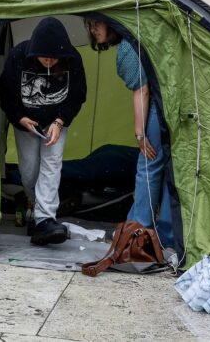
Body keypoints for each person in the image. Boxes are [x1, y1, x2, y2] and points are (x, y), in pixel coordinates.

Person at [0, 17, 87, 245]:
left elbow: (77, 95)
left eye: (54, 58)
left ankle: (45, 219)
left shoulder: (72, 59)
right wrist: (19, 117)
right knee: (28, 169)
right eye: (44, 56)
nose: (49, 61)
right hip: (26, 123)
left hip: (56, 122)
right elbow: (5, 93)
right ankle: (35, 205)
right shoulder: (18, 56)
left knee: (52, 164)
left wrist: (60, 121)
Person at [86, 19, 174, 249]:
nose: (93, 29)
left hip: (158, 104)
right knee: (165, 170)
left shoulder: (128, 46)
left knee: (148, 165)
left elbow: (142, 90)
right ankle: (165, 233)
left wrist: (139, 134)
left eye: (95, 24)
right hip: (172, 105)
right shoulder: (136, 41)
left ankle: (138, 227)